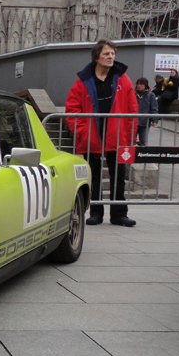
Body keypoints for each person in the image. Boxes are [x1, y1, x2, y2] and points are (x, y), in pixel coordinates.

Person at [65, 39, 138, 227]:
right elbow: (72, 108)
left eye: (113, 53)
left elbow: (132, 109)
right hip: (92, 137)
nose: (111, 57)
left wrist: (130, 135)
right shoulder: (83, 81)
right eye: (106, 54)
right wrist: (81, 131)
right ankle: (96, 213)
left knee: (118, 177)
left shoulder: (123, 79)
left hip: (118, 137)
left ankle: (119, 214)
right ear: (96, 57)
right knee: (93, 177)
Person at [134, 77, 158, 147]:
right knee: (130, 142)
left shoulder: (150, 95)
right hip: (133, 122)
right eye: (138, 84)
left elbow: (154, 108)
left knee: (143, 142)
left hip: (144, 122)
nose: (139, 86)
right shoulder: (133, 94)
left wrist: (154, 120)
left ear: (145, 85)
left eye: (141, 84)